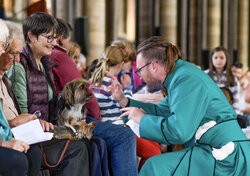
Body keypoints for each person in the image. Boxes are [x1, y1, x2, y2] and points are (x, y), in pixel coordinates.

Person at [109, 36, 250, 175]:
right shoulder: (179, 75)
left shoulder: (185, 79)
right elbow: (161, 111)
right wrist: (124, 101)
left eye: (139, 70)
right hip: (215, 150)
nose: (139, 76)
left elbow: (179, 132)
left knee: (154, 167)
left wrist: (142, 118)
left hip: (227, 156)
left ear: (153, 65)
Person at [51, 18, 138, 176]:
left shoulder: (52, 57)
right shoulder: (60, 57)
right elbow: (88, 96)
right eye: (69, 40)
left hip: (68, 116)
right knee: (126, 136)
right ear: (62, 39)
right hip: (74, 119)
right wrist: (96, 119)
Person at [10, 12, 90, 176]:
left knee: (91, 142)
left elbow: (51, 102)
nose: (54, 43)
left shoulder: (46, 64)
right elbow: (21, 112)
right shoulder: (20, 66)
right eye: (49, 38)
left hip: (47, 129)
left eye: (55, 38)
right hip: (32, 136)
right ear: (31, 36)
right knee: (78, 148)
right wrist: (40, 123)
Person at [0, 18, 30, 176]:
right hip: (6, 138)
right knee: (17, 160)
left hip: (11, 135)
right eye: (3, 46)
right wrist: (6, 143)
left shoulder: (6, 81)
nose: (18, 59)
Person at [205, 47, 240, 114]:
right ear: (211, 59)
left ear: (226, 59)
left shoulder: (232, 77)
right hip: (209, 110)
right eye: (215, 58)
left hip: (228, 111)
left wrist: (236, 113)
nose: (218, 60)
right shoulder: (205, 75)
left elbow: (235, 97)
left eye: (221, 58)